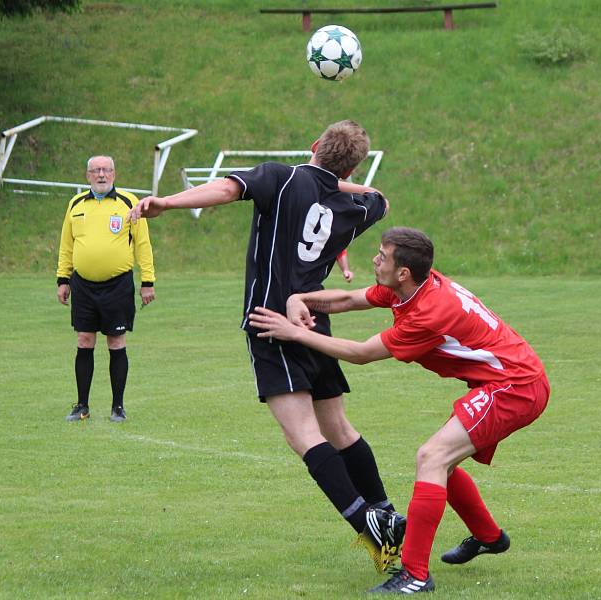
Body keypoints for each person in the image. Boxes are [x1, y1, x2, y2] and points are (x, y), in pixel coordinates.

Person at [127, 120, 406, 572]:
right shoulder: (358, 207)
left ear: (313, 146)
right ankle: (386, 512)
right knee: (338, 427)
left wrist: (167, 203)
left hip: (271, 321)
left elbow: (223, 189)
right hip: (316, 320)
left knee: (303, 435)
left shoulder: (283, 177)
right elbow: (380, 198)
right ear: (354, 166)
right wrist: (342, 181)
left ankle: (371, 529)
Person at [248, 227, 550, 594]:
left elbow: (361, 354)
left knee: (432, 458)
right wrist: (302, 299)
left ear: (403, 272)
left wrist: (294, 332)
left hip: (514, 387)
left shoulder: (429, 312)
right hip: (510, 381)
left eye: (381, 256)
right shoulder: (412, 287)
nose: (375, 260)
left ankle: (416, 575)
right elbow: (348, 298)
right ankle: (489, 536)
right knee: (443, 464)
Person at [56, 155, 156, 423]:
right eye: (95, 171)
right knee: (84, 341)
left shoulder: (129, 202)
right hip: (83, 286)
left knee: (116, 342)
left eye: (106, 170)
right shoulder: (75, 205)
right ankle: (82, 406)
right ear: (87, 175)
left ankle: (118, 407)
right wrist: (63, 279)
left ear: (114, 174)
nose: (101, 175)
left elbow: (142, 244)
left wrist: (148, 281)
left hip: (118, 285)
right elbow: (67, 245)